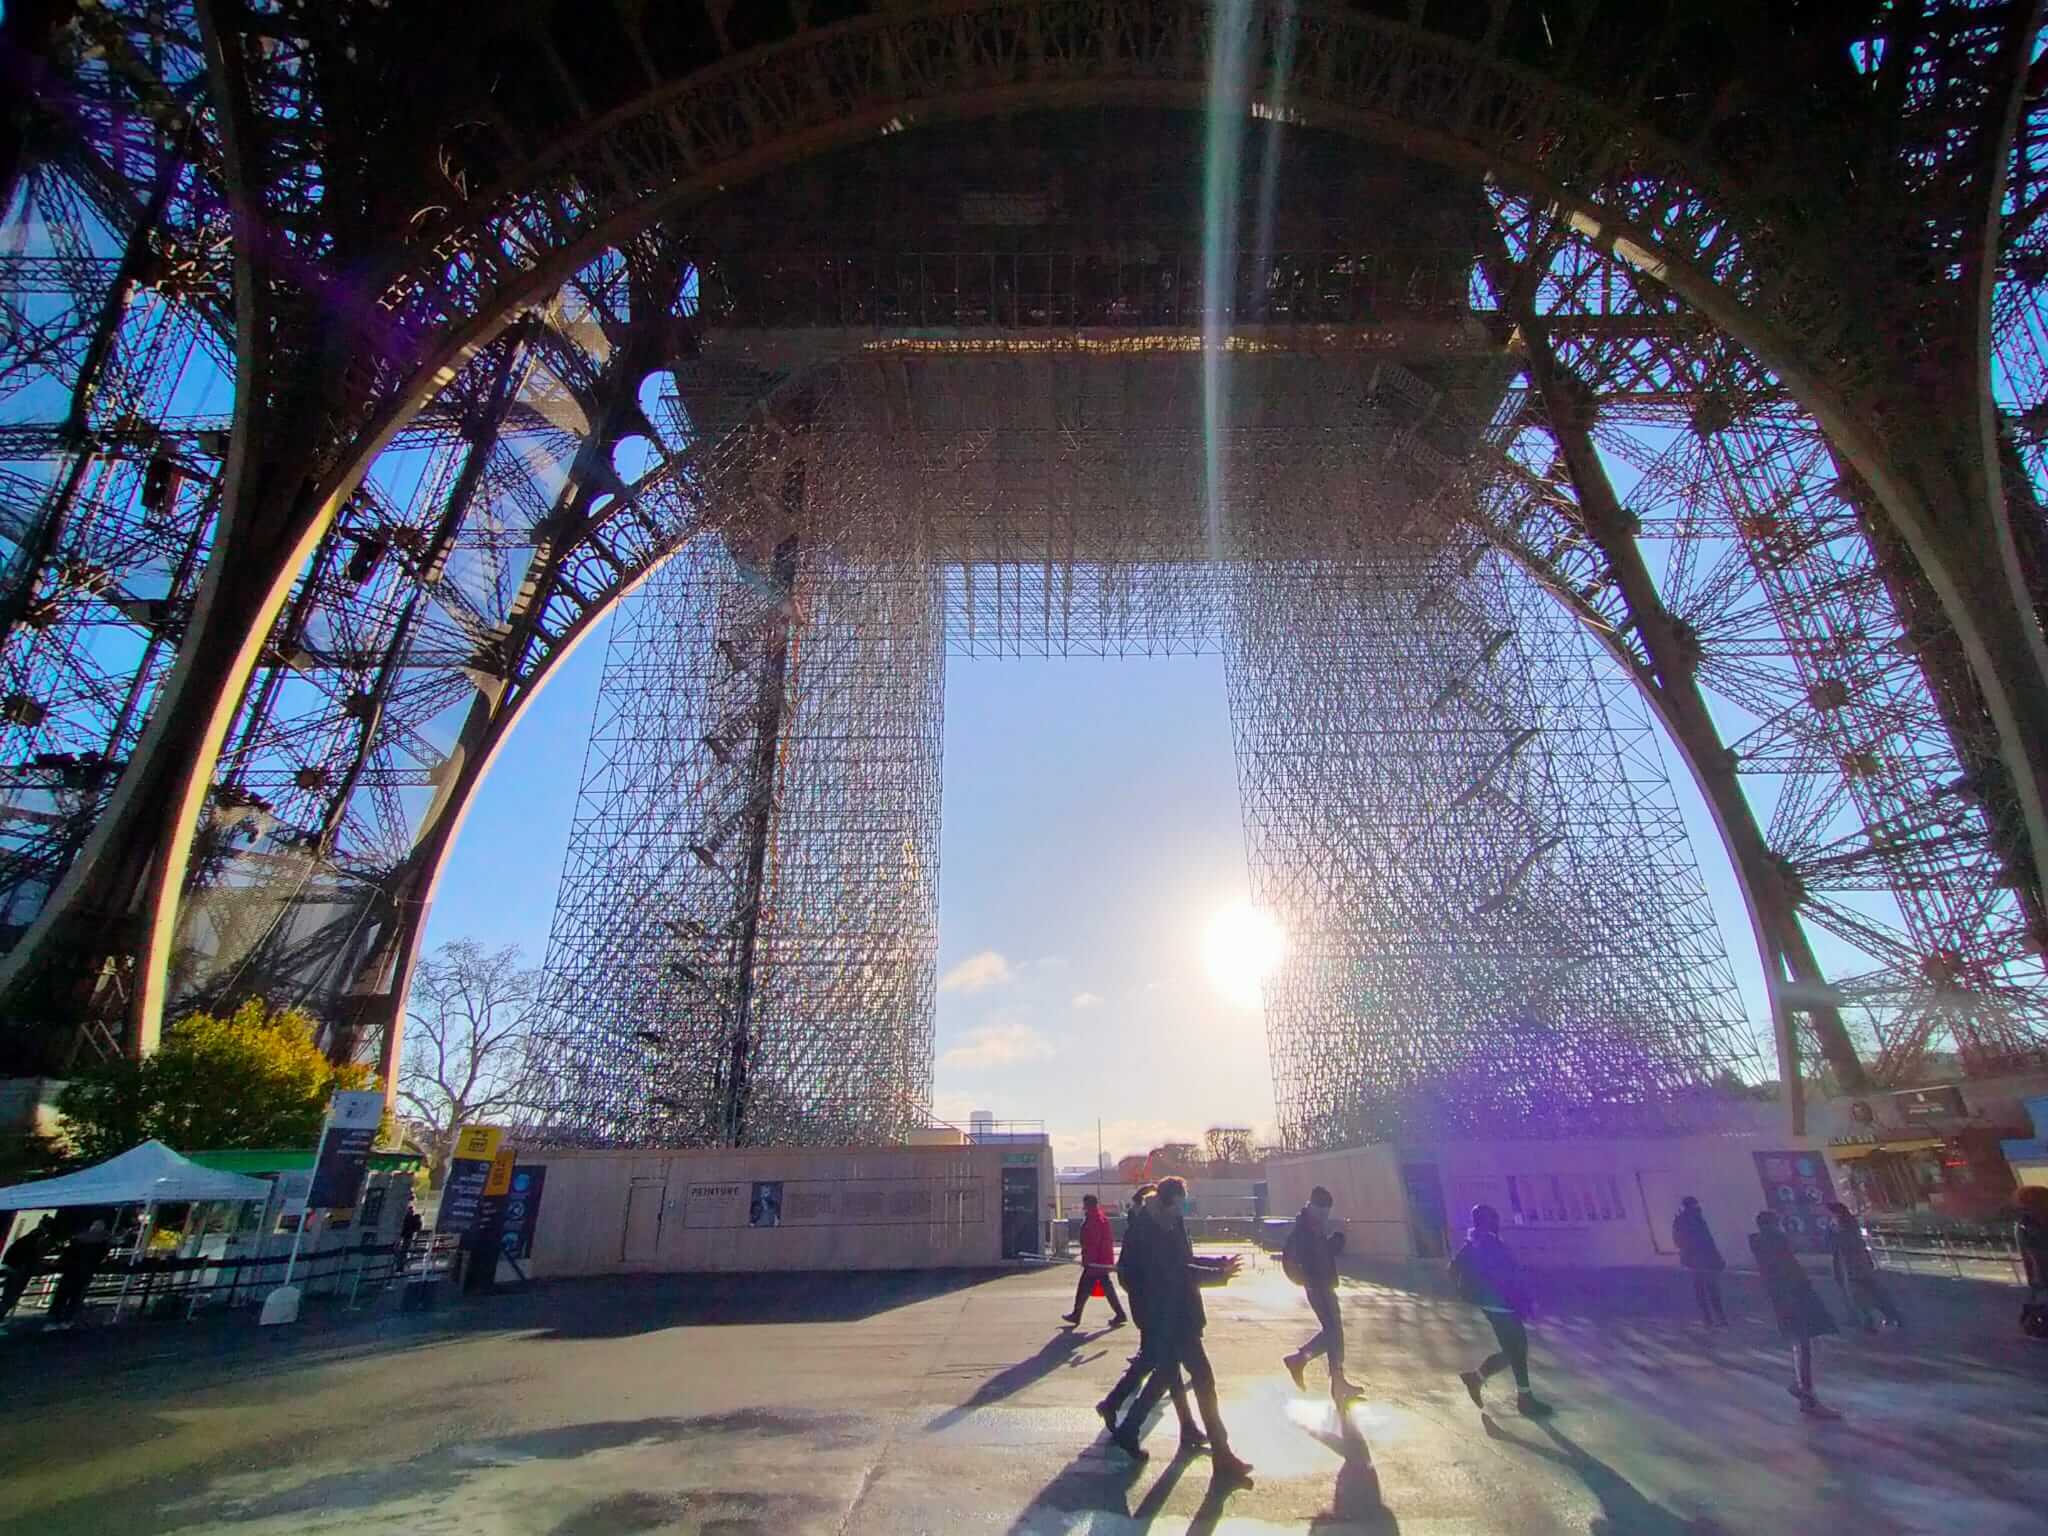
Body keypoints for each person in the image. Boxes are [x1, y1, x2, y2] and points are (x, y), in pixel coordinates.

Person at [1111, 1177, 1253, 1484]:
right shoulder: (1156, 1229)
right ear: (1171, 1199)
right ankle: (1221, 1453)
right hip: (1173, 1315)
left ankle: (1130, 1428)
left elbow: (1183, 1263)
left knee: (1167, 1375)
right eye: (1183, 1199)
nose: (1184, 1205)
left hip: (1170, 1314)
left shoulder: (1160, 1222)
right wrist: (1218, 1273)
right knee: (1202, 1379)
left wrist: (1218, 1264)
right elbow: (1178, 1271)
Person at [1095, 1186, 1203, 1450]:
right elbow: (1152, 1271)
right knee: (1165, 1367)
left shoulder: (1171, 1223)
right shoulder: (1146, 1228)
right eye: (1180, 1204)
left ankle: (1114, 1406)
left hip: (1164, 1308)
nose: (1182, 1209)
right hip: (1157, 1309)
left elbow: (1182, 1262)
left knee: (1154, 1362)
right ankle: (1130, 1425)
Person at [1451, 1203, 1551, 1416]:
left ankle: (1477, 1379)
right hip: (1504, 1305)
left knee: (1513, 1350)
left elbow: (1453, 1269)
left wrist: (1472, 1291)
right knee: (1517, 1349)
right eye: (1494, 1218)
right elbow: (1514, 1277)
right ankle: (1523, 1399)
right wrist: (1528, 1302)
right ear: (1489, 1221)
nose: (1497, 1222)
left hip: (1491, 1305)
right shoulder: (1494, 1245)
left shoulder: (1472, 1244)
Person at [1750, 1210, 1839, 1417]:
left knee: (1801, 1344)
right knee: (1806, 1343)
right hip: (1796, 1296)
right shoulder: (1777, 1242)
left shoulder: (1761, 1244)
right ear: (1774, 1224)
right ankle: (1807, 1394)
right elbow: (1789, 1270)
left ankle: (1803, 1388)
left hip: (1783, 1299)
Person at [1281, 1186, 1356, 1399]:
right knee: (1333, 1333)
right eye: (1324, 1211)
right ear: (1315, 1207)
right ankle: (1300, 1360)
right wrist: (1340, 1236)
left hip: (1318, 1285)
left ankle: (1338, 1384)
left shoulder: (1309, 1225)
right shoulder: (1307, 1229)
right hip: (1319, 1286)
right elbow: (1324, 1254)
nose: (1326, 1215)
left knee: (1334, 1333)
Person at [1825, 1202, 1902, 1331]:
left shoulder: (1841, 1226)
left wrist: (1833, 1235)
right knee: (1871, 1293)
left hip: (1852, 1265)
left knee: (1862, 1295)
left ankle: (1871, 1321)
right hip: (1857, 1264)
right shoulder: (1846, 1223)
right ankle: (1887, 1317)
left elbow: (1843, 1243)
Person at [1064, 1194, 1128, 1327]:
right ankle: (1120, 1314)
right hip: (1100, 1261)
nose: (1083, 1207)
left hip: (1096, 1262)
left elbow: (1094, 1243)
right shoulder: (1098, 1217)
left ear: (1089, 1205)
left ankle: (1077, 1315)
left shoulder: (1094, 1220)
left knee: (1084, 1288)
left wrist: (1089, 1261)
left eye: (1085, 1204)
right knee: (1105, 1288)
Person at [1672, 1196, 1728, 1327]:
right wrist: (1717, 1257)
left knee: (1700, 1289)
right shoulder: (1697, 1218)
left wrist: (1686, 1253)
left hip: (1692, 1259)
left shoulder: (1679, 1220)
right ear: (1693, 1205)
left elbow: (1677, 1241)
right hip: (1705, 1257)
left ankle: (1708, 1318)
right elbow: (1707, 1238)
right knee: (1712, 1288)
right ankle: (1720, 1317)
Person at [46, 1218, 112, 1329]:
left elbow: (67, 1254)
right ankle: (67, 1319)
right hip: (85, 1272)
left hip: (70, 1270)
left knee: (62, 1295)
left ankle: (54, 1319)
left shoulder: (79, 1239)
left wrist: (59, 1262)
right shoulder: (102, 1242)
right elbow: (101, 1257)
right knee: (75, 1297)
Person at [1, 1215, 56, 1319]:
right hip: (21, 1270)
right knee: (10, 1298)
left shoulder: (31, 1236)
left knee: (8, 1298)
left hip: (15, 1267)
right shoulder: (38, 1239)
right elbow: (33, 1257)